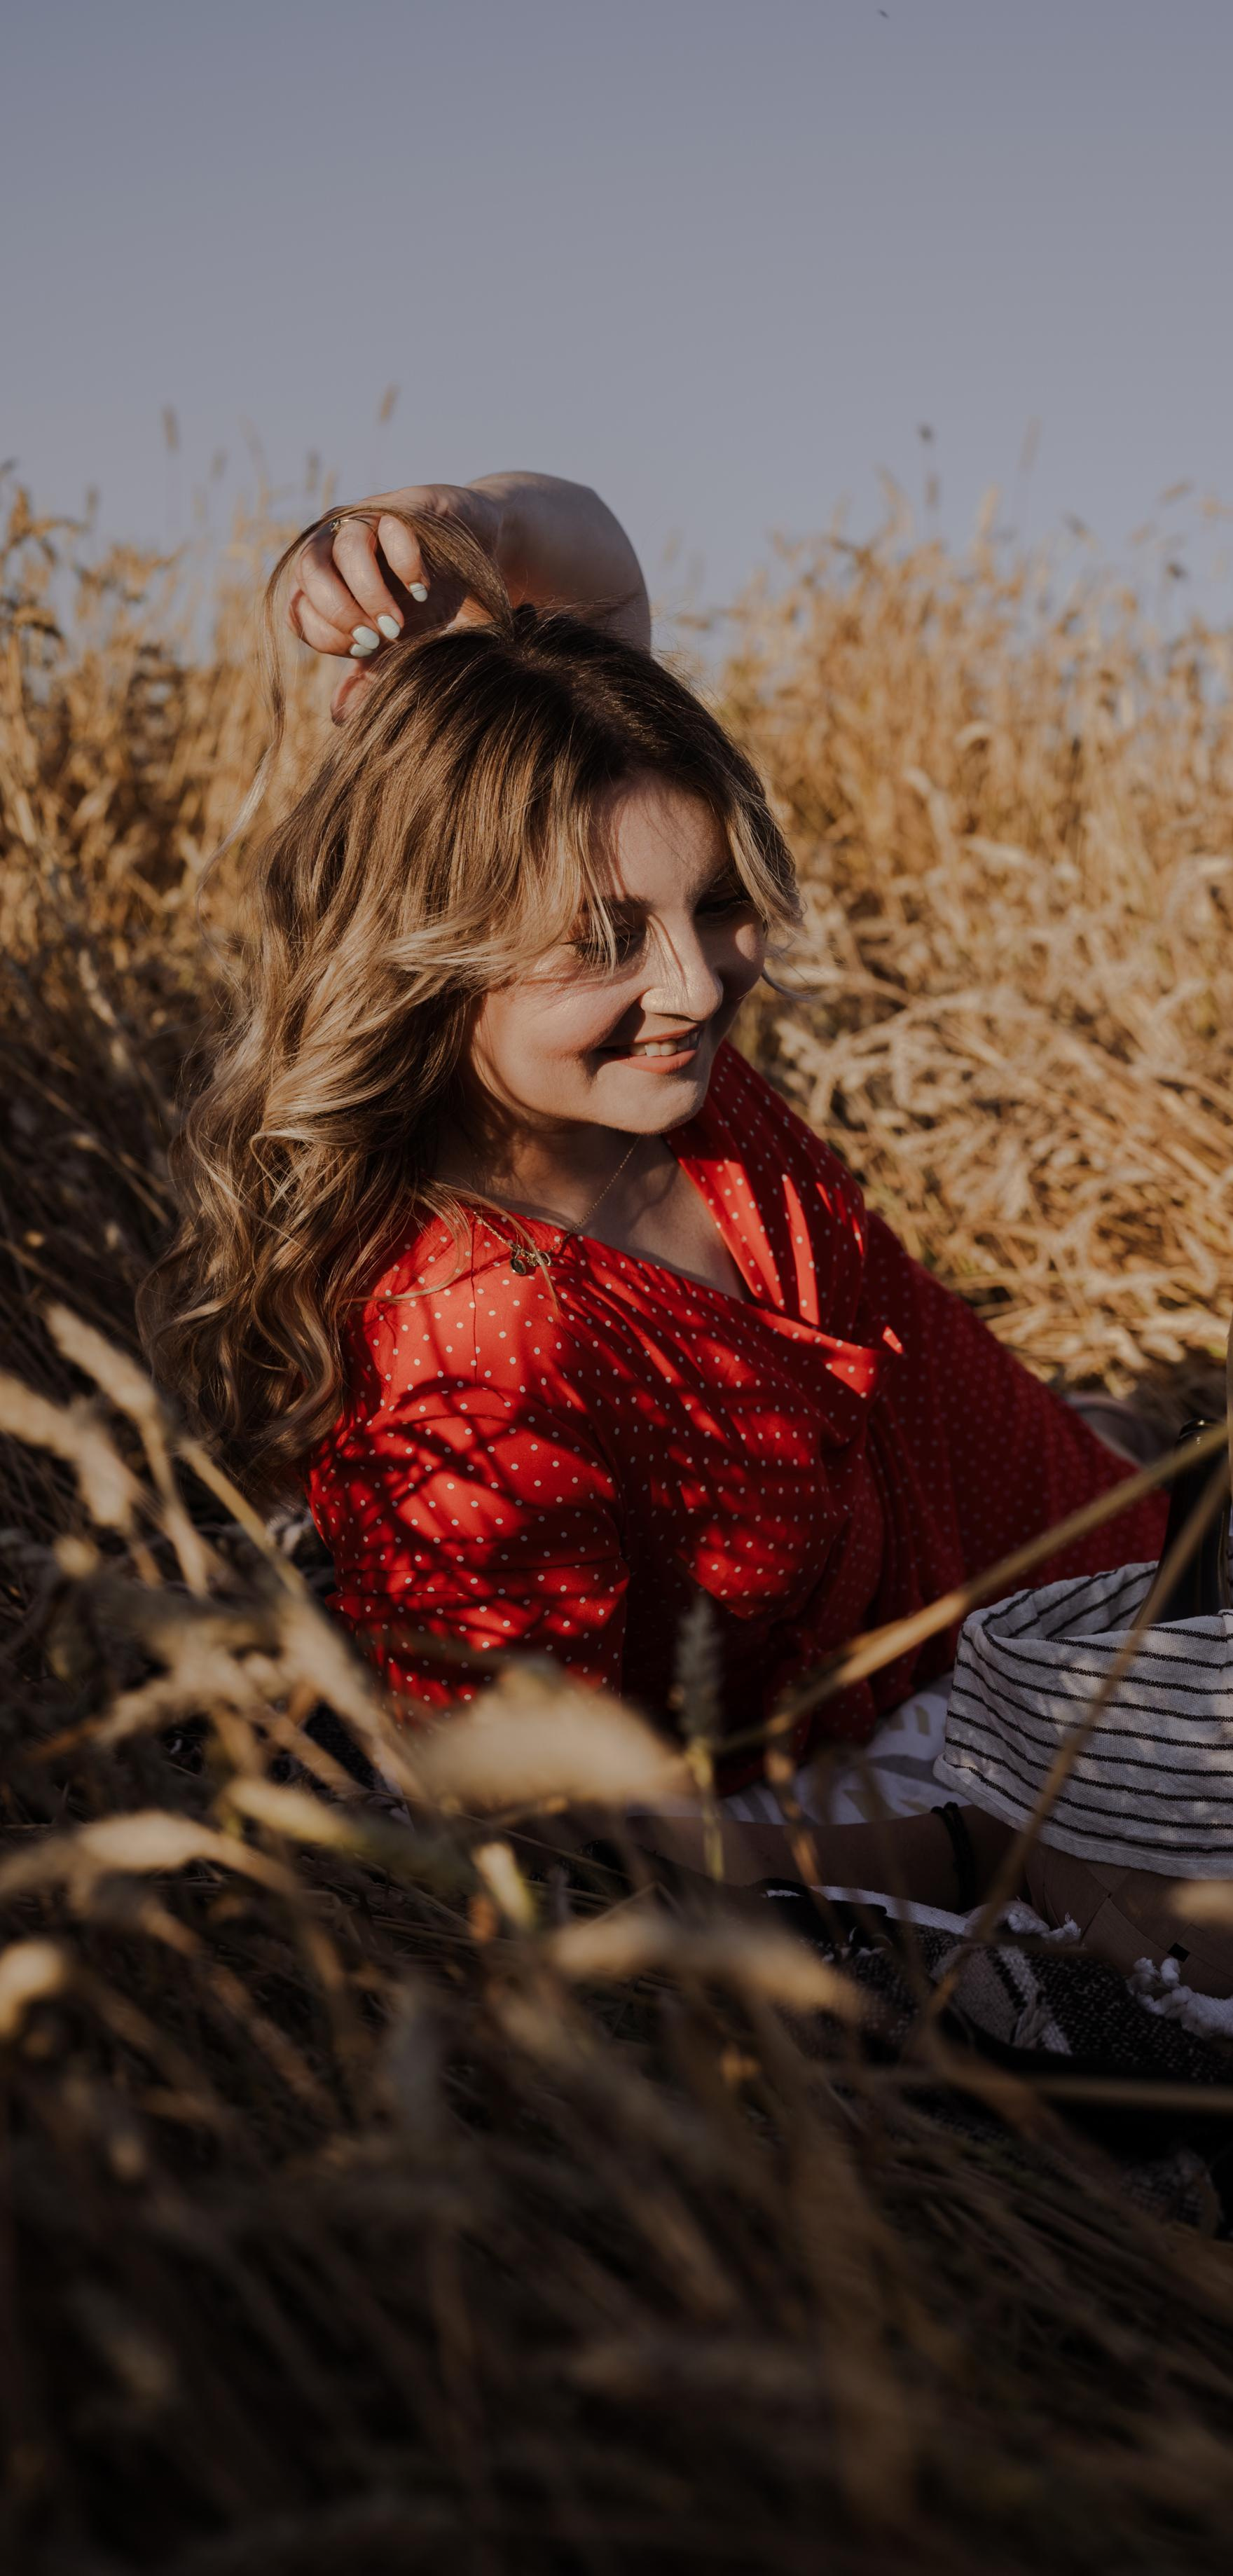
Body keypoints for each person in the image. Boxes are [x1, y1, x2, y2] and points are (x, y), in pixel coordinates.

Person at [144, 474, 1169, 1910]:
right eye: (604, 940)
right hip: (1030, 1777)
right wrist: (982, 1861)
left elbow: (597, 586)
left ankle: (1130, 1433)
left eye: (713, 905)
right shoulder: (468, 1373)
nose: (692, 988)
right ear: (424, 954)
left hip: (1144, 1583)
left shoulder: (653, 1087)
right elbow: (554, 1840)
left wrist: (461, 528)